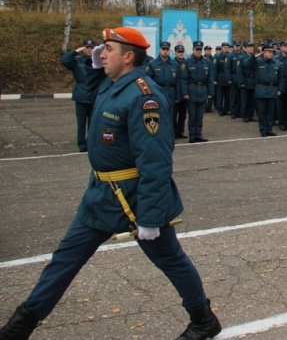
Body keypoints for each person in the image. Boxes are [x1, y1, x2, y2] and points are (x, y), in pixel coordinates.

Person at [0, 27, 221, 340]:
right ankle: (17, 329)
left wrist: (150, 218)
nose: (100, 54)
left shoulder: (145, 97)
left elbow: (156, 163)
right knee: (65, 260)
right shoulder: (110, 83)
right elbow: (88, 82)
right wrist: (94, 57)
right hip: (100, 195)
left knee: (170, 260)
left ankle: (203, 321)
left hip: (133, 199)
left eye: (108, 50)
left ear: (128, 57)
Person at [60, 38, 97, 152]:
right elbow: (65, 60)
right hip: (81, 93)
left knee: (93, 121)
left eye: (91, 48)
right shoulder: (77, 61)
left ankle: (91, 143)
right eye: (87, 48)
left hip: (93, 93)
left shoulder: (97, 61)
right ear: (83, 49)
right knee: (81, 122)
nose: (89, 50)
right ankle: (81, 144)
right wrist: (75, 51)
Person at [182, 41, 214, 143]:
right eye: (197, 49)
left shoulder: (207, 62)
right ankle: (192, 135)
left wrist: (210, 93)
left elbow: (210, 78)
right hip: (192, 89)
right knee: (192, 115)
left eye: (200, 49)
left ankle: (198, 134)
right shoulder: (188, 62)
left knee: (200, 115)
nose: (199, 51)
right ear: (193, 50)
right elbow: (184, 79)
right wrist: (185, 93)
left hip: (203, 90)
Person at [145, 41, 181, 119]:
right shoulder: (152, 64)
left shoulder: (175, 64)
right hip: (158, 91)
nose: (165, 51)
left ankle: (170, 131)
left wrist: (178, 96)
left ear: (169, 50)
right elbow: (149, 81)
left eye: (167, 49)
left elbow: (178, 81)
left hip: (171, 92)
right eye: (163, 49)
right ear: (160, 50)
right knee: (158, 114)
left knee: (171, 115)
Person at [254, 45, 281, 137]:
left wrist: (279, 89)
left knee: (270, 112)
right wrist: (254, 57)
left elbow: (280, 77)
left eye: (272, 52)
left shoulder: (276, 63)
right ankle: (263, 130)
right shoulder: (258, 62)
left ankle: (269, 129)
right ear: (264, 53)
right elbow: (245, 64)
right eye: (269, 52)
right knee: (261, 112)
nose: (271, 54)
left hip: (272, 89)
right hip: (261, 89)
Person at [173, 44, 189, 139]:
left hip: (185, 93)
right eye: (179, 52)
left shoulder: (187, 63)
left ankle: (181, 131)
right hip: (175, 93)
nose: (181, 53)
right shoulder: (172, 63)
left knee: (183, 115)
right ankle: (174, 132)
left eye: (182, 52)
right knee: (174, 115)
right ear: (175, 53)